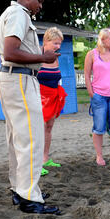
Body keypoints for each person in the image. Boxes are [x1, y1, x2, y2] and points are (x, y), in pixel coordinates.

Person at [0, 0, 60, 214]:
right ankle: (29, 197)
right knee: (31, 139)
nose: (40, 5)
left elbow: (12, 51)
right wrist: (43, 58)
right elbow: (12, 52)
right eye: (39, 0)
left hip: (13, 78)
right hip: (20, 79)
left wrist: (40, 54)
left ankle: (20, 189)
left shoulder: (11, 13)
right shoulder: (19, 14)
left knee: (17, 139)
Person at [84, 28, 110, 166]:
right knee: (99, 127)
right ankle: (99, 156)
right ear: (103, 40)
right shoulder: (91, 55)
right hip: (99, 96)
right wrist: (91, 93)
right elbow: (87, 75)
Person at [37, 27, 67, 176]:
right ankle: (36, 164)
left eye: (59, 43)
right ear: (46, 41)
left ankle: (45, 159)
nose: (58, 47)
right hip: (39, 98)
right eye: (55, 43)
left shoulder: (55, 57)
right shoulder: (37, 54)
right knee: (37, 130)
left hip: (53, 96)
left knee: (48, 128)